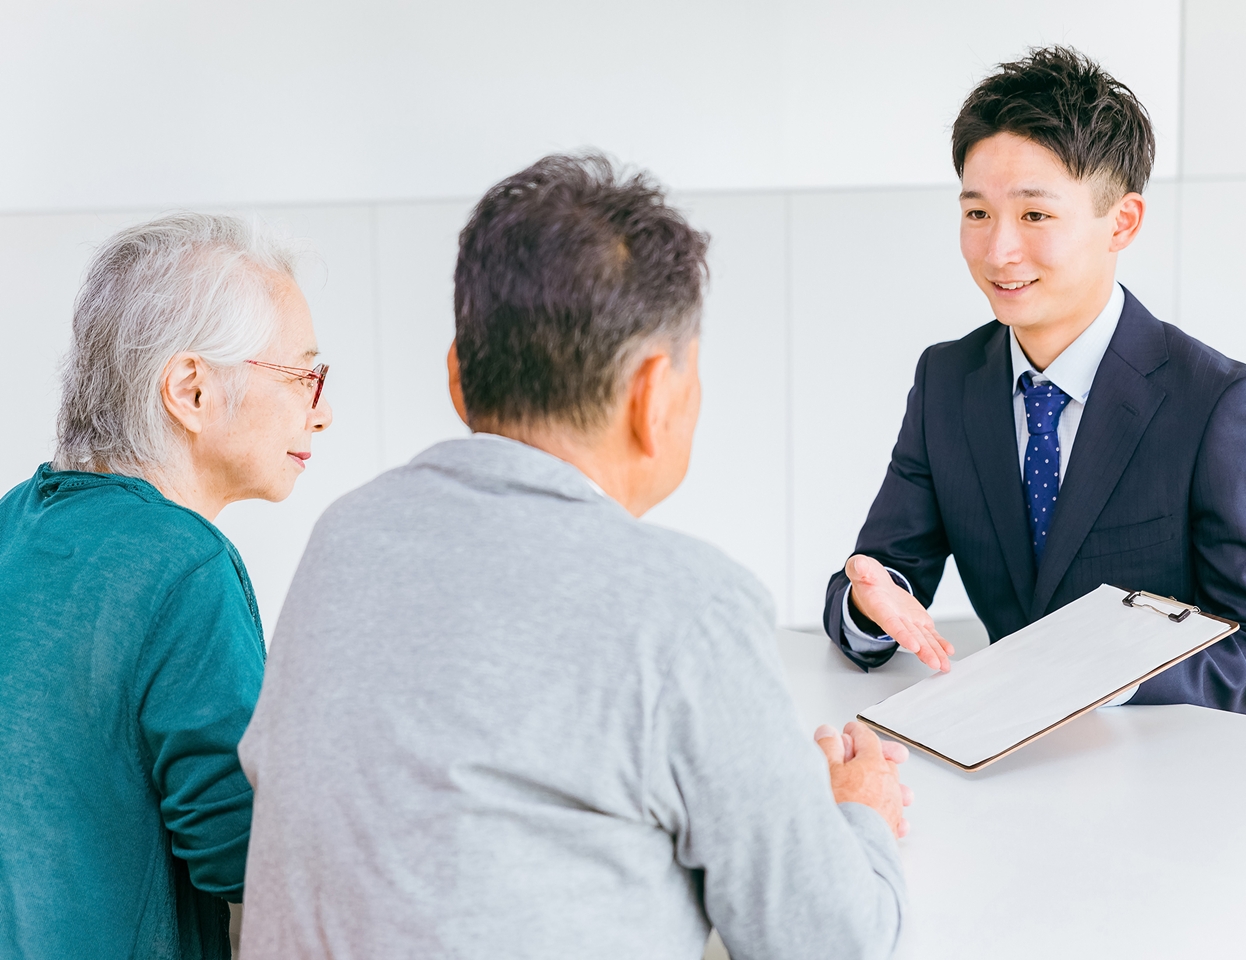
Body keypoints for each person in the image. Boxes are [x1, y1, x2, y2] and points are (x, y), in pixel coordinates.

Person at [238, 155, 910, 960]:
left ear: (457, 378)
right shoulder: (685, 606)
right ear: (654, 396)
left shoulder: (346, 538)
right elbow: (829, 942)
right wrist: (857, 813)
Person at [824, 46, 1246, 716]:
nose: (999, 251)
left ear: (1120, 222)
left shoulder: (1218, 405)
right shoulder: (948, 382)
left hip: (1163, 785)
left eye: (1035, 216)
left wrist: (1103, 681)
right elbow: (883, 575)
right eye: (977, 213)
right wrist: (869, 602)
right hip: (996, 771)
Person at [0, 214, 333, 959]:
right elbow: (250, 856)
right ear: (191, 389)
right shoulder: (185, 565)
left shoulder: (11, 525)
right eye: (303, 374)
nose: (323, 408)